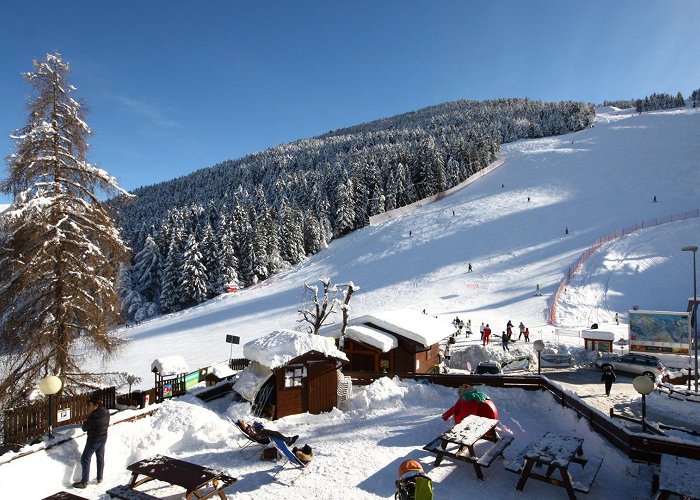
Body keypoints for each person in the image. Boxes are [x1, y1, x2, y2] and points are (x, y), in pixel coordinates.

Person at [73, 396, 110, 488]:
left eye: (90, 405)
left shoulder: (94, 416)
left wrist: (89, 415)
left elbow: (84, 428)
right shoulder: (106, 411)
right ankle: (99, 478)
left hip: (93, 440)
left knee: (85, 459)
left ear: (96, 405)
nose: (88, 407)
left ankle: (84, 482)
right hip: (103, 439)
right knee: (100, 458)